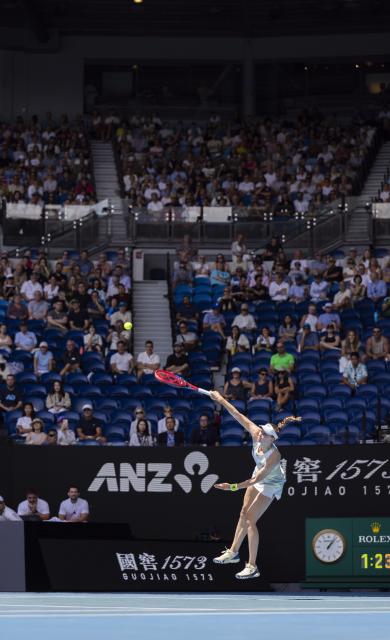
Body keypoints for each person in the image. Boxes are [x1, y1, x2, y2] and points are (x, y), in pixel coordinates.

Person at [210, 390, 298, 579]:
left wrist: (232, 487)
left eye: (266, 434)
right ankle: (233, 552)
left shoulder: (274, 456)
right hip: (257, 473)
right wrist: (220, 399)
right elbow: (237, 414)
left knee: (250, 519)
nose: (261, 434)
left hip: (271, 482)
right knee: (243, 512)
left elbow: (256, 480)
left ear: (272, 439)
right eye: (262, 431)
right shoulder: (256, 433)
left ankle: (252, 566)